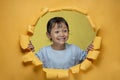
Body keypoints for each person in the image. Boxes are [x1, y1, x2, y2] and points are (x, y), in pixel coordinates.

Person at [28, 17, 93, 69]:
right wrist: (29, 51)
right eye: (57, 32)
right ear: (49, 35)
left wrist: (89, 50)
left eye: (65, 31)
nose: (62, 34)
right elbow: (32, 64)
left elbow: (86, 59)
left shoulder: (74, 49)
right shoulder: (44, 52)